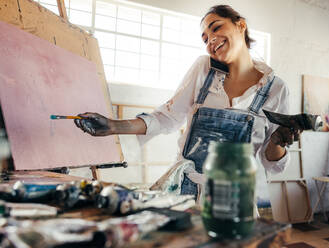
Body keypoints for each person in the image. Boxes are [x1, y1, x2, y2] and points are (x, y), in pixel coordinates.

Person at [75, 5, 300, 199]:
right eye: (204, 38)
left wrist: (277, 142)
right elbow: (166, 118)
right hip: (186, 189)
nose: (210, 40)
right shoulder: (204, 69)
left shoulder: (276, 89)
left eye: (216, 27)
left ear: (240, 25)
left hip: (236, 199)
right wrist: (113, 126)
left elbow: (273, 163)